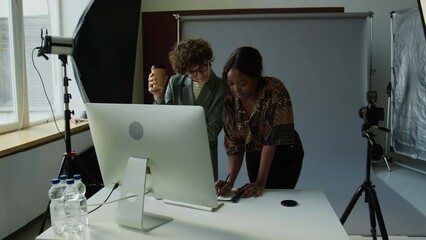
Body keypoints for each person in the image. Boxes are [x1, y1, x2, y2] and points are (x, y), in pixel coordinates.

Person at [216, 46, 304, 198]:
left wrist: (260, 181)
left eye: (242, 83)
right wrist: (229, 182)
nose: (236, 89)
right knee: (258, 198)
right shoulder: (229, 100)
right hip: (255, 152)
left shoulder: (274, 89)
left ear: (256, 77)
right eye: (231, 84)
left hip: (284, 153)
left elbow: (271, 140)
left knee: (276, 199)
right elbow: (234, 145)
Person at [148, 38, 230, 181]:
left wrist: (176, 130)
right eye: (192, 72)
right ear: (185, 72)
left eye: (204, 67)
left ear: (208, 60)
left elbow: (212, 131)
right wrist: (159, 97)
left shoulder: (221, 89)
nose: (200, 74)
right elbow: (163, 121)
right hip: (173, 157)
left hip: (203, 159)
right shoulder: (175, 82)